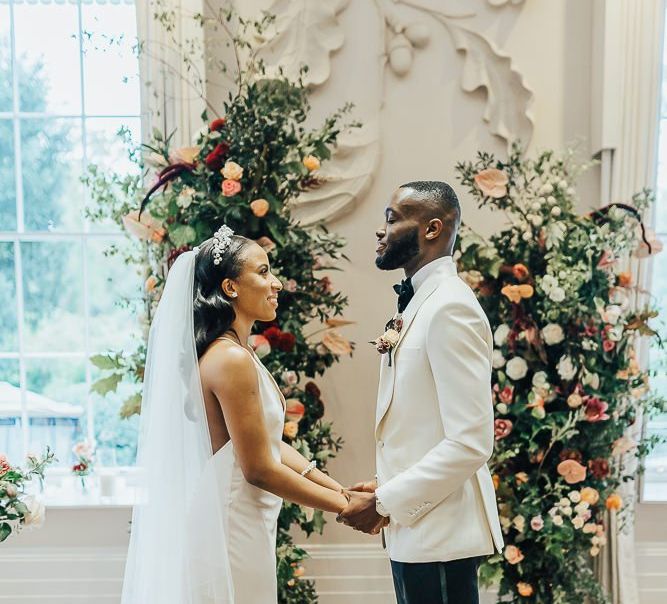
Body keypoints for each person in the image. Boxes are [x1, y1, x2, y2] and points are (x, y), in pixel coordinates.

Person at [121, 225, 364, 604]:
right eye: (264, 272)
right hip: (231, 524)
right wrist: (346, 507)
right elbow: (258, 468)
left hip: (244, 517)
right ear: (231, 287)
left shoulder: (237, 352)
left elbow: (270, 445)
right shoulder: (230, 359)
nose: (278, 283)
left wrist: (340, 490)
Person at [339, 182, 503, 604]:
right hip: (417, 530)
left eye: (392, 219)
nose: (381, 230)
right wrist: (385, 484)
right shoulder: (420, 302)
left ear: (432, 229)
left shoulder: (451, 306)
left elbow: (471, 442)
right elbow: (422, 421)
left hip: (442, 535)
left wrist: (385, 500)